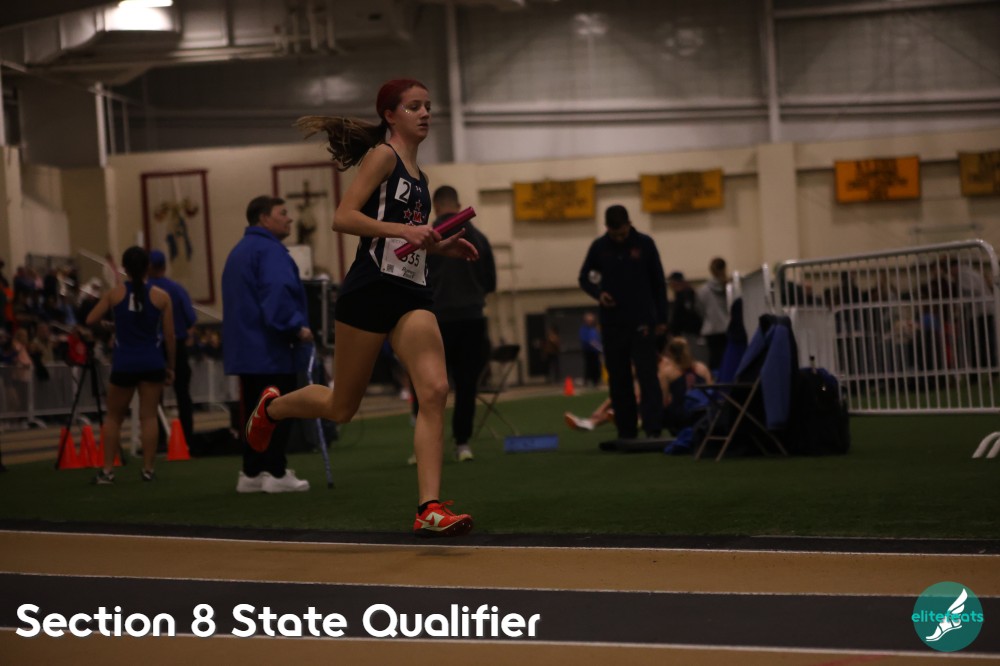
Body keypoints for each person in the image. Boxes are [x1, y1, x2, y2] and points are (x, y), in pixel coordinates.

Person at [244, 79, 478, 537]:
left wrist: (438, 247)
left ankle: (429, 508)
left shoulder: (421, 177)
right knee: (341, 407)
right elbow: (343, 217)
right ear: (390, 115)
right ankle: (272, 408)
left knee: (434, 389)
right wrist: (404, 230)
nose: (425, 113)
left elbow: (406, 238)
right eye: (414, 107)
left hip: (412, 293)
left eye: (428, 106)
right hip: (370, 291)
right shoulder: (382, 157)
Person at [222, 196, 312, 494]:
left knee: (253, 413)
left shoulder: (238, 251)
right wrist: (296, 327)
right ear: (264, 218)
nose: (289, 218)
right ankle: (275, 471)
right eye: (282, 213)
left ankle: (252, 472)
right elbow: (277, 293)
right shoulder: (269, 251)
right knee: (276, 411)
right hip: (270, 348)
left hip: (247, 350)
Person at [412, 184, 496, 463]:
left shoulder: (426, 238)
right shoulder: (479, 238)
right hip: (472, 319)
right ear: (459, 206)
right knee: (467, 384)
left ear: (435, 207)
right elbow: (491, 282)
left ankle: (423, 448)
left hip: (435, 321)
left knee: (426, 385)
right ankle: (462, 443)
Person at [85, 246, 175, 484]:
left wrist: (111, 326)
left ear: (125, 268)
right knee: (149, 417)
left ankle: (107, 471)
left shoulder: (115, 294)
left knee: (114, 418)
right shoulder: (161, 297)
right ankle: (148, 470)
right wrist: (171, 366)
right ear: (148, 268)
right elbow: (169, 336)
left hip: (124, 362)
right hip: (152, 360)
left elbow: (90, 319)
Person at [578, 204, 667, 441]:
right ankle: (626, 431)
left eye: (622, 233)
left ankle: (653, 429)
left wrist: (662, 319)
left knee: (647, 376)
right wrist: (599, 294)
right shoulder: (599, 247)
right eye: (614, 234)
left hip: (642, 321)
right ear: (607, 228)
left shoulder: (645, 244)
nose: (619, 238)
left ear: (629, 224)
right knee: (618, 379)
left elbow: (659, 282)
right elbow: (584, 278)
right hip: (612, 323)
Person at [148, 249, 198, 446]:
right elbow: (191, 318)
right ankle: (187, 438)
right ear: (164, 266)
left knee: (153, 397)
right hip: (177, 346)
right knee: (183, 394)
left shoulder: (145, 290)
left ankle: (158, 438)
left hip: (152, 347)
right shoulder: (176, 289)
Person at [658, 336, 713, 433]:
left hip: (680, 418)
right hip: (702, 414)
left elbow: (663, 400)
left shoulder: (667, 372)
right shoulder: (702, 368)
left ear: (670, 353)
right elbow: (711, 392)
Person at [696, 257, 730, 372]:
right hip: (727, 327)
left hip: (710, 329)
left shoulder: (703, 290)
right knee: (727, 359)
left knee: (714, 359)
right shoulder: (729, 287)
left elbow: (700, 310)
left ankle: (715, 378)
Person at [579, 311, 602, 387]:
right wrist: (594, 344)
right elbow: (587, 340)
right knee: (589, 366)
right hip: (588, 351)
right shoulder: (584, 329)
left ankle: (596, 381)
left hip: (595, 351)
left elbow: (597, 339)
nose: (590, 321)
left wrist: (599, 347)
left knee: (596, 366)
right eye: (588, 320)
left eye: (591, 320)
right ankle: (588, 380)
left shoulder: (594, 329)